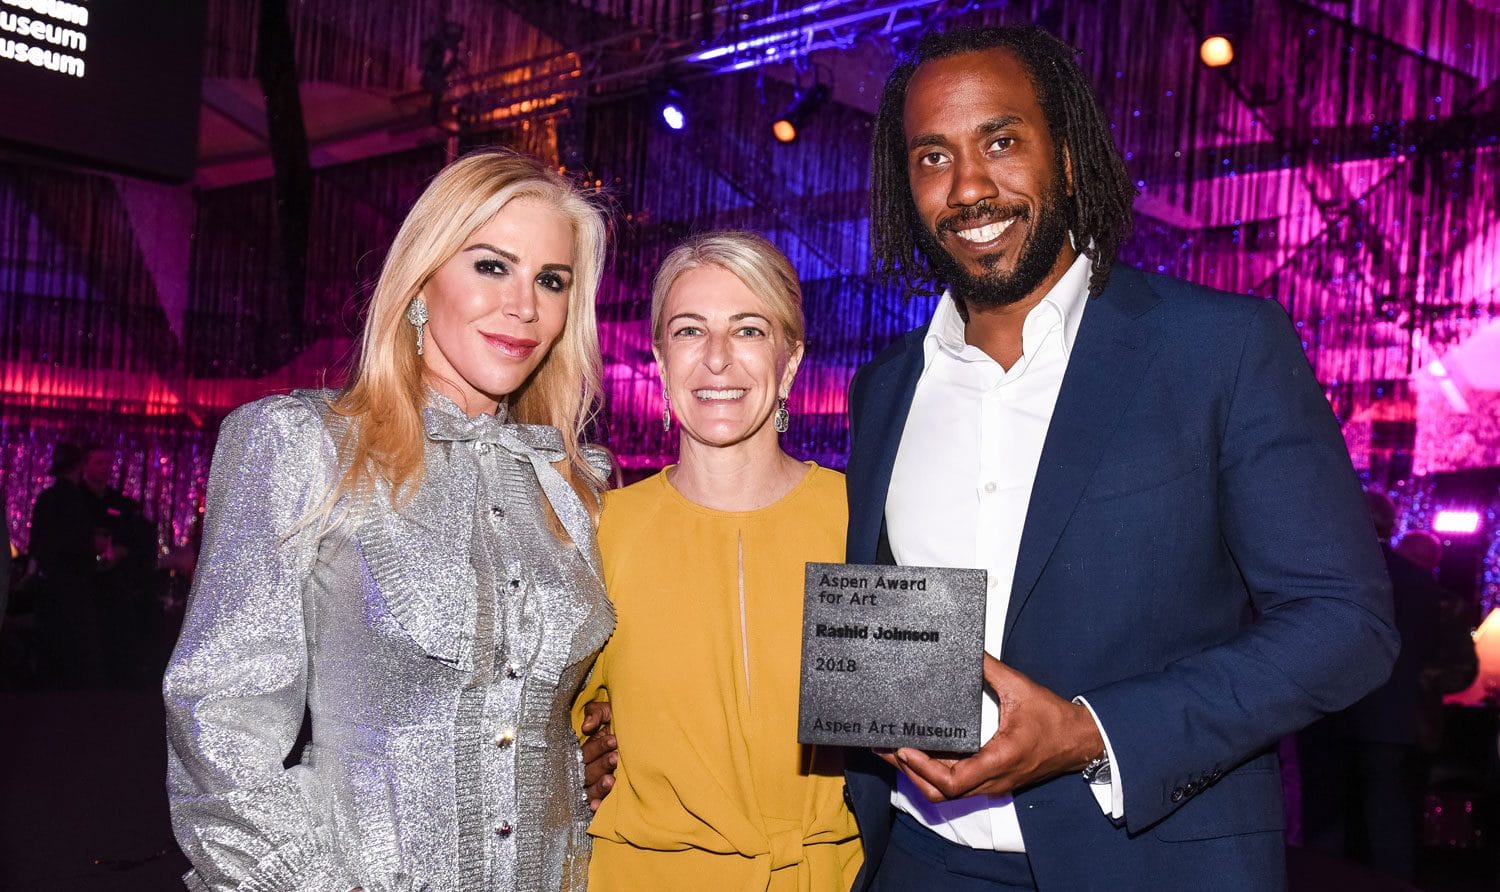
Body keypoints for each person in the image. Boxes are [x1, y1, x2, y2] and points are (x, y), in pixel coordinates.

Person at [836, 25, 1396, 890]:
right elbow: (899, 626)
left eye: (1000, 142)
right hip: (918, 860)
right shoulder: (885, 387)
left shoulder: (1218, 348)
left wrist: (1094, 733)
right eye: (933, 157)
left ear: (1064, 158)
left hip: (1148, 864)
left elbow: (1345, 623)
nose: (969, 186)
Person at [164, 150, 614, 892]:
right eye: (492, 266)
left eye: (551, 280)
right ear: (420, 282)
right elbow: (220, 720)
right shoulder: (304, 445)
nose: (525, 307)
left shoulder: (574, 484)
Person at [574, 231, 862, 890]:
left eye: (749, 330)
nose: (716, 358)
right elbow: (534, 721)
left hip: (837, 877)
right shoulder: (599, 531)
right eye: (689, 331)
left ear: (790, 362)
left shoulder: (862, 520)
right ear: (659, 359)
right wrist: (571, 758)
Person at [1298, 492, 1477, 880]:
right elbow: (1443, 658)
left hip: (1330, 710)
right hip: (1392, 719)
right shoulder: (1423, 584)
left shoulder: (1328, 571)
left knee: (1326, 821)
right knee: (1388, 821)